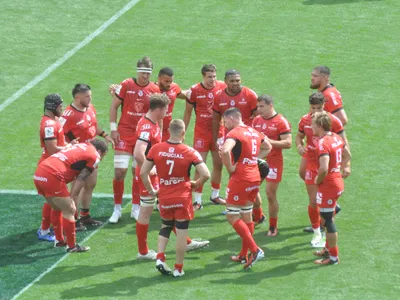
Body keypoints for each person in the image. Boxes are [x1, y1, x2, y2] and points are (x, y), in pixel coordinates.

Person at [140, 119, 211, 277]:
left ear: (169, 132)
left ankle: (160, 257)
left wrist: (152, 190)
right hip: (182, 196)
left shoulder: (156, 149)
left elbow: (143, 172)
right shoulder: (189, 151)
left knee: (165, 226)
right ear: (183, 133)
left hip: (164, 196)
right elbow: (206, 174)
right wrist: (195, 184)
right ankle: (178, 268)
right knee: (181, 232)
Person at [108, 56, 159, 223]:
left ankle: (135, 207)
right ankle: (116, 208)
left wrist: (159, 137)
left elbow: (158, 115)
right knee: (119, 171)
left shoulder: (154, 89)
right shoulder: (126, 85)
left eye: (148, 73)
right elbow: (114, 106)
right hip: (124, 132)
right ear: (137, 71)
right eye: (143, 72)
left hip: (142, 136)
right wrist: (113, 129)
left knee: (137, 172)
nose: (145, 76)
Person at [33, 140, 108, 252]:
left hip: (40, 173)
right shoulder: (94, 155)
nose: (101, 159)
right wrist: (72, 197)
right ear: (100, 151)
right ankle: (72, 246)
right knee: (69, 209)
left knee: (56, 207)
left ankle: (59, 241)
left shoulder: (82, 145)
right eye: (103, 155)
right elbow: (81, 179)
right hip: (52, 175)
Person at [221, 108, 271, 269]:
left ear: (231, 119)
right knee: (246, 215)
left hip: (241, 177)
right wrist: (253, 160)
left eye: (225, 121)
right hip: (255, 176)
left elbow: (225, 150)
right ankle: (244, 254)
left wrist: (230, 168)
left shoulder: (235, 133)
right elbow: (268, 147)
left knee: (232, 216)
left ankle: (255, 250)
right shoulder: (254, 132)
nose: (224, 125)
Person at [296, 92, 348, 246]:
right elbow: (299, 136)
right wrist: (299, 145)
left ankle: (320, 230)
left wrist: (347, 164)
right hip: (311, 158)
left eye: (320, 108)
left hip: (325, 161)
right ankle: (318, 228)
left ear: (324, 106)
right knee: (312, 196)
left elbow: (343, 142)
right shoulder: (305, 120)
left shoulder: (332, 121)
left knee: (317, 199)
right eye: (313, 108)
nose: (316, 112)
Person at [60, 84, 113, 230]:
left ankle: (85, 215)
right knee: (76, 189)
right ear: (78, 97)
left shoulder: (90, 108)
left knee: (91, 184)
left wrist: (105, 135)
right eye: (87, 96)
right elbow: (59, 134)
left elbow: (93, 126)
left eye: (90, 95)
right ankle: (73, 219)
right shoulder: (68, 115)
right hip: (77, 158)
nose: (90, 98)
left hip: (91, 155)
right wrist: (68, 146)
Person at [212, 69, 258, 205]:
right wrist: (217, 138)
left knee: (245, 174)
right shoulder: (219, 96)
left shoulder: (249, 95)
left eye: (238, 80)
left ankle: (241, 204)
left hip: (247, 141)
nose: (235, 83)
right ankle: (244, 205)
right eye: (232, 81)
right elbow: (215, 119)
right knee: (236, 173)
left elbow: (258, 117)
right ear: (225, 81)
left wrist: (253, 134)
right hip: (231, 140)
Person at [183, 64, 226, 209]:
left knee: (219, 164)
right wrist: (183, 131)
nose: (212, 80)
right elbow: (188, 112)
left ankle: (215, 195)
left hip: (219, 133)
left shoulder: (222, 86)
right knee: (199, 166)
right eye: (209, 77)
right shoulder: (195, 90)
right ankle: (197, 200)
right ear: (203, 76)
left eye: (214, 76)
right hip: (201, 133)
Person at [311, 112, 351, 265]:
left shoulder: (323, 143)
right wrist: (342, 167)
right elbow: (347, 155)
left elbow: (323, 168)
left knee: (327, 221)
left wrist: (318, 180)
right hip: (337, 182)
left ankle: (333, 257)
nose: (311, 126)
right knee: (326, 216)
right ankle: (328, 249)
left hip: (328, 185)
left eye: (313, 124)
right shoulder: (336, 137)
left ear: (320, 126)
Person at [252, 95, 292, 236]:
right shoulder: (256, 120)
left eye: (262, 106)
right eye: (258, 106)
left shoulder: (281, 122)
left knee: (270, 194)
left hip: (274, 162)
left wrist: (268, 141)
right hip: (258, 160)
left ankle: (273, 226)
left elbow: (288, 143)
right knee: (251, 190)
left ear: (270, 106)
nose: (259, 109)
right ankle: (258, 216)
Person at [37, 93, 67, 242]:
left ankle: (45, 229)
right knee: (55, 202)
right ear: (53, 107)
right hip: (50, 168)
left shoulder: (52, 120)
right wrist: (70, 148)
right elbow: (53, 149)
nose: (61, 108)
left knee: (51, 201)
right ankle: (47, 231)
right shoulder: (49, 125)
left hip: (52, 166)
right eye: (59, 105)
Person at [155, 67, 187, 142]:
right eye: (166, 81)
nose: (169, 84)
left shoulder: (174, 87)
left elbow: (183, 94)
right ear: (159, 78)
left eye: (171, 81)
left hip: (168, 130)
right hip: (154, 129)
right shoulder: (151, 88)